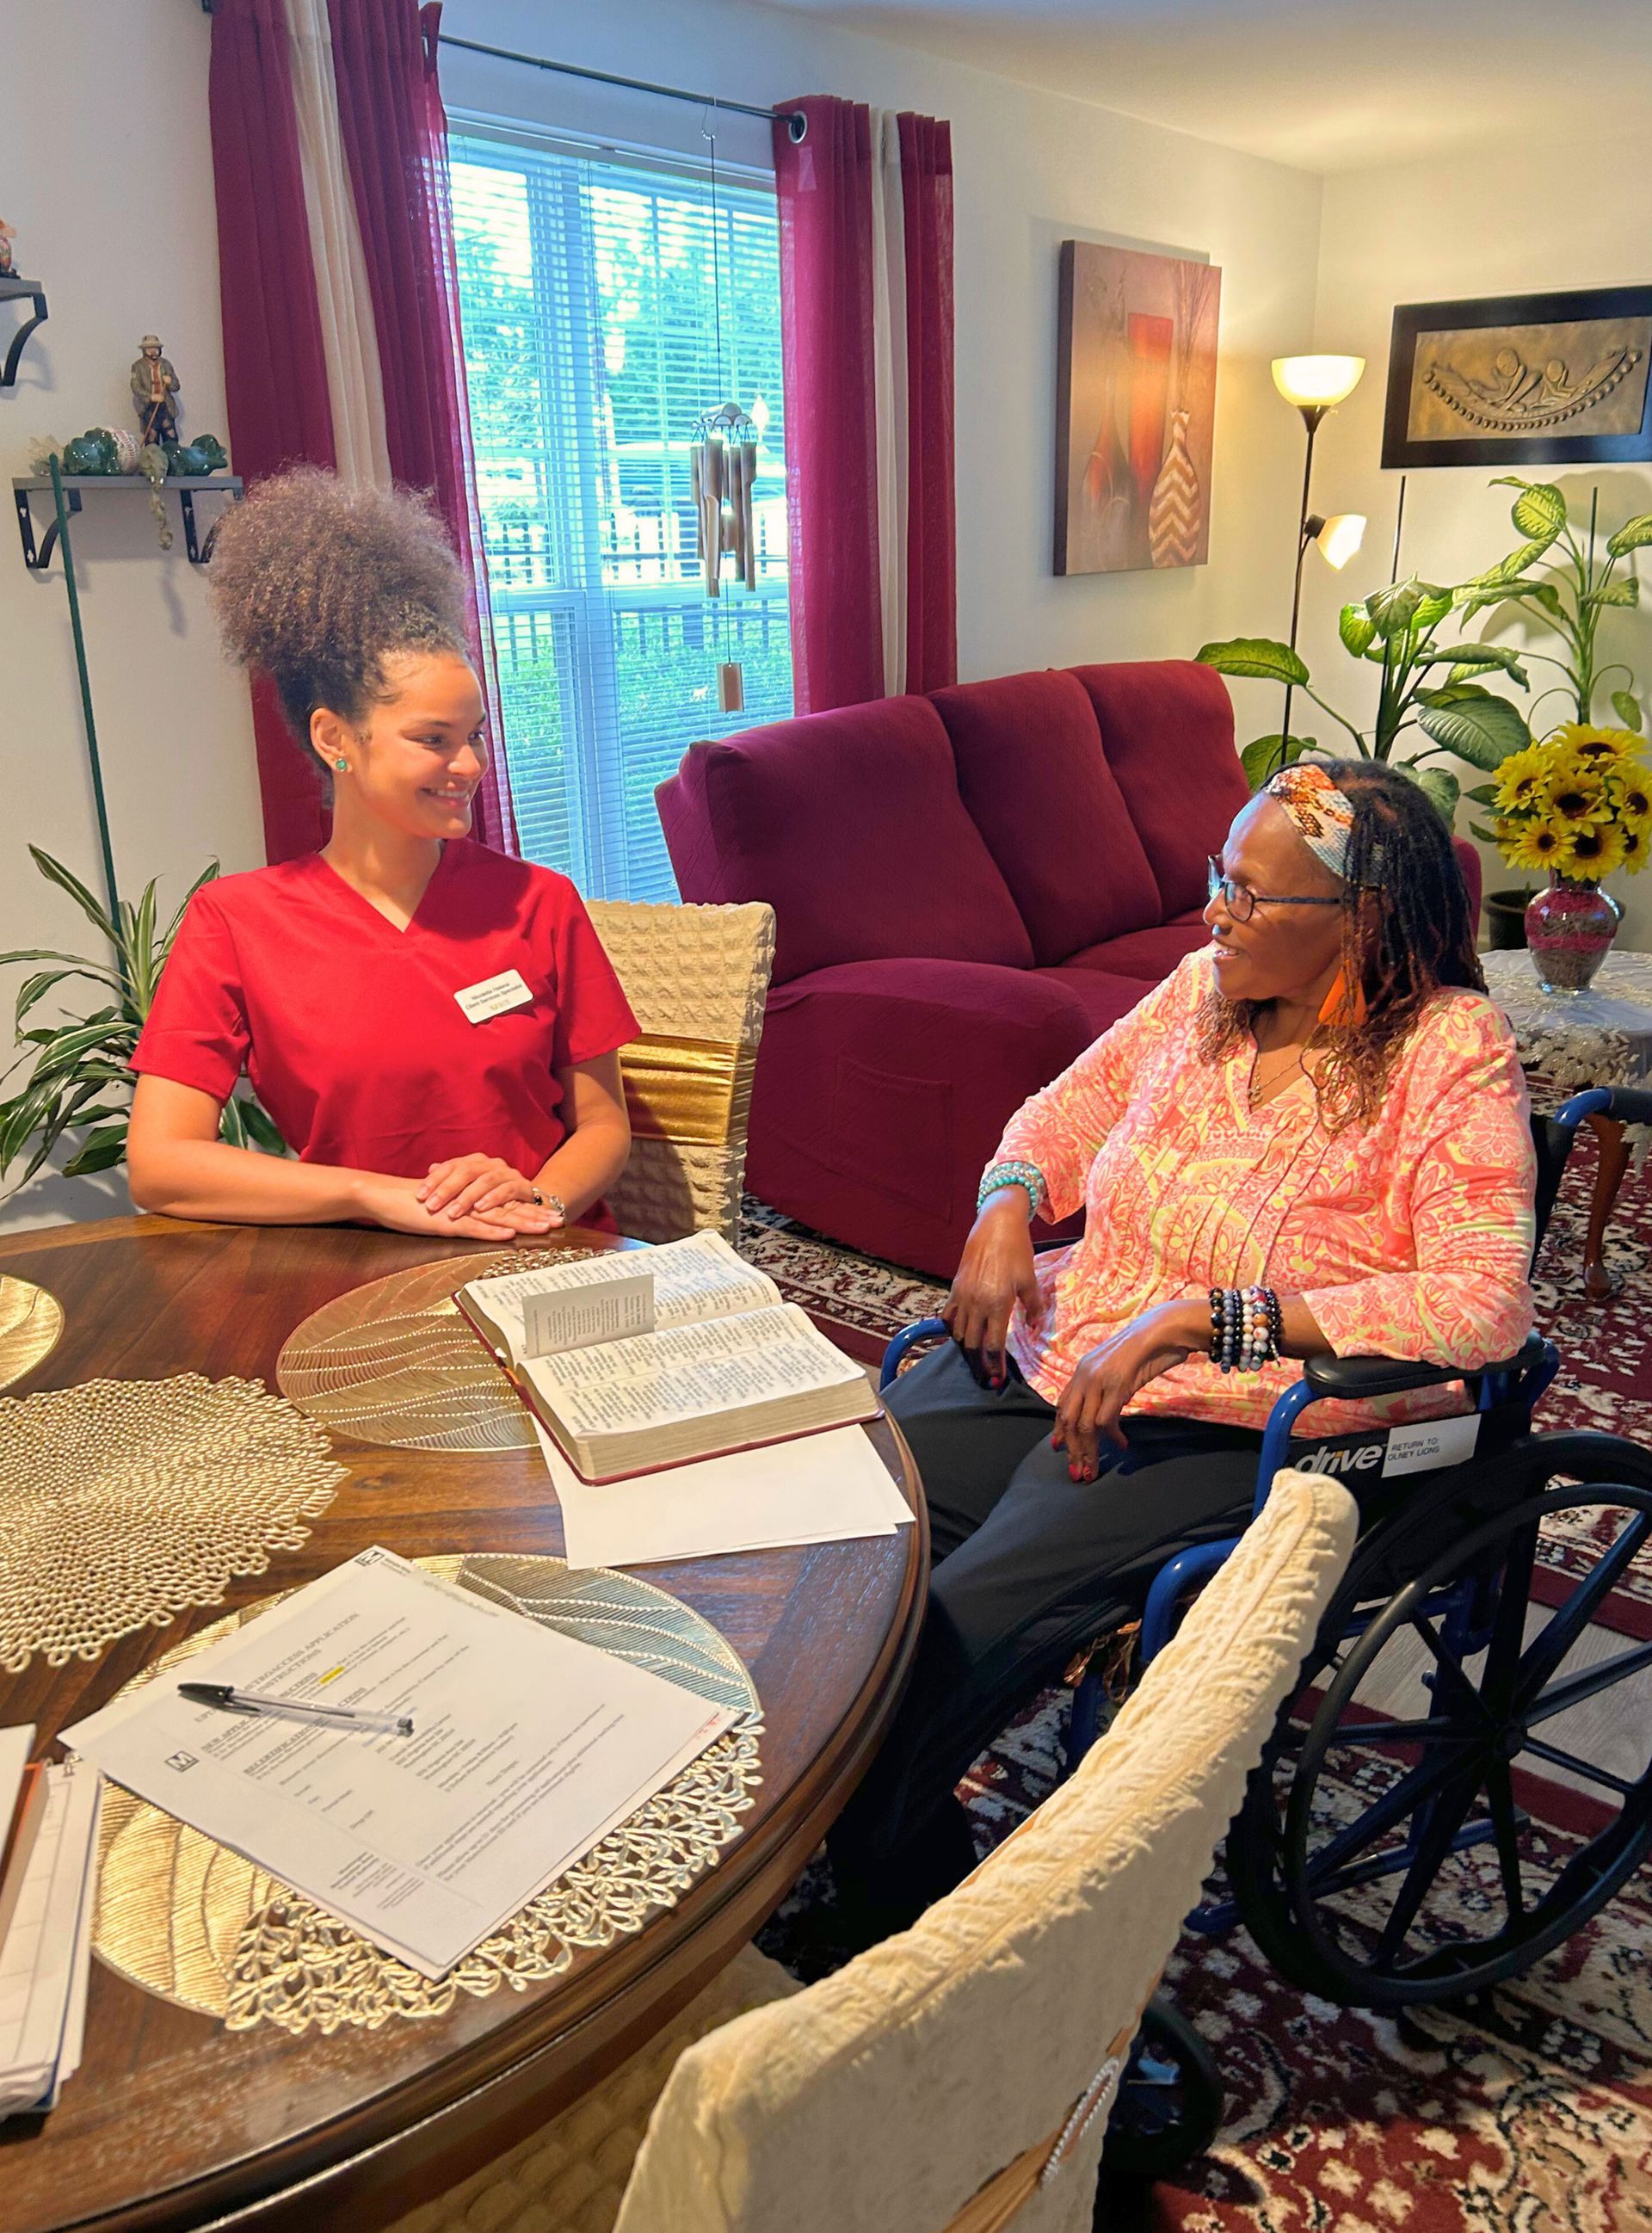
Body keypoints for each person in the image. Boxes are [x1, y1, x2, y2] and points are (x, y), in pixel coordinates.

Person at [829, 758, 1537, 1937]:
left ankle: (894, 1931)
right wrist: (1004, 1202)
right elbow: (1059, 1112)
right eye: (1222, 875)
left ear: (1360, 917)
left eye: (1255, 896)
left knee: (944, 1631)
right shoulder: (1201, 989)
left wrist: (1214, 1317)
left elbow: (1481, 1300)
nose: (1218, 911)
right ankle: (839, 1819)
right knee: (826, 1531)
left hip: (1238, 1417)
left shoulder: (1448, 1048)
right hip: (1065, 1346)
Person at [127, 470, 635, 1243]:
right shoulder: (235, 923)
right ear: (337, 739)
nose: (468, 765)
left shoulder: (540, 902)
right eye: (434, 739)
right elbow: (160, 1163)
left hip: (544, 1252)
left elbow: (604, 1126)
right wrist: (378, 1195)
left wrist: (537, 1201)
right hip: (359, 1268)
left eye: (474, 737)